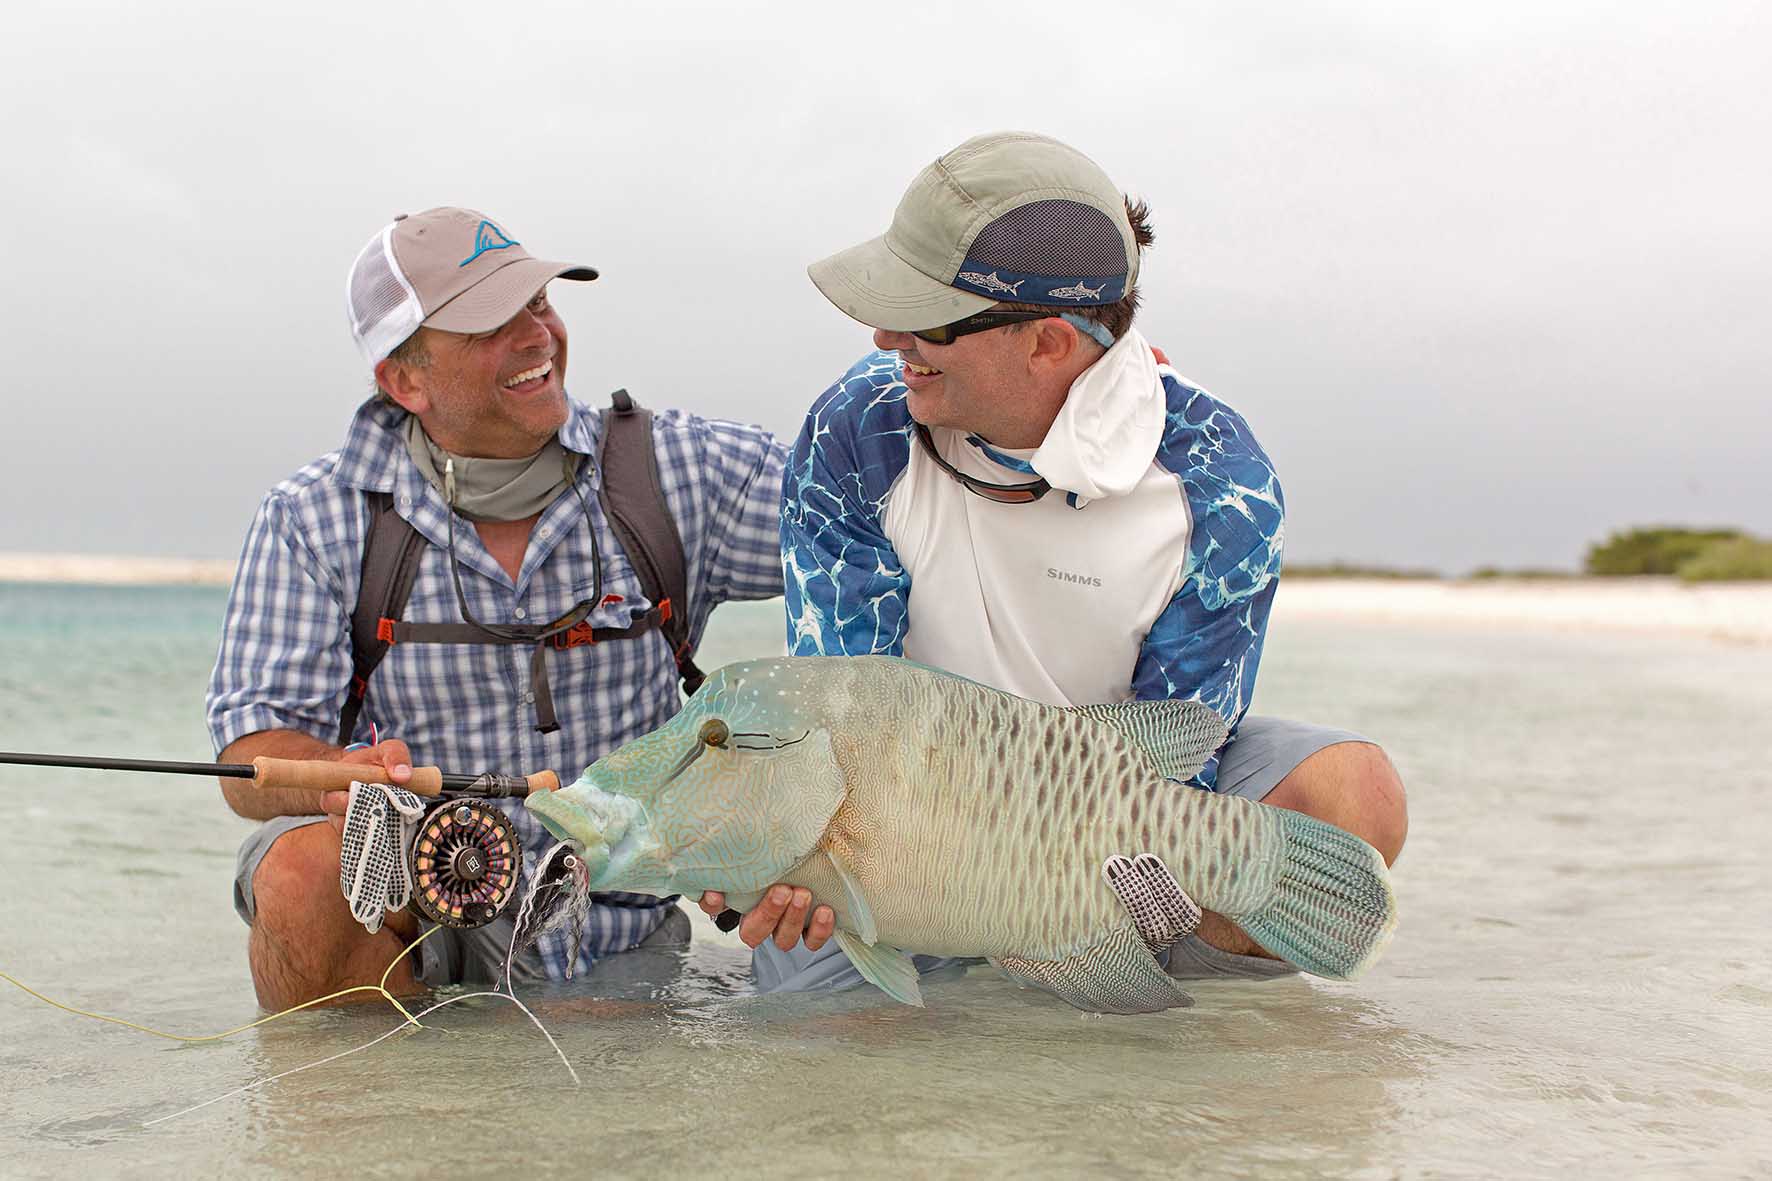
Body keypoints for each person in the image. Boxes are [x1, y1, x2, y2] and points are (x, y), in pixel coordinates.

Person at [701, 131, 1408, 993]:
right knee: (834, 1080)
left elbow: (1175, 756)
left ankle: (1146, 1017)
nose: (887, 336)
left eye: (926, 318)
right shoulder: (857, 428)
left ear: (1049, 344)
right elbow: (842, 722)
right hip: (900, 824)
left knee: (1352, 796)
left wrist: (1093, 926)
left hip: (1108, 815)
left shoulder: (1222, 485)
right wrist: (781, 861)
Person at [207, 207, 786, 1009]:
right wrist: (341, 773)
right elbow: (249, 761)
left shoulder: (680, 472)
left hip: (620, 932)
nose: (536, 337)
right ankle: (354, 1119)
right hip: (422, 911)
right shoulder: (312, 518)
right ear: (403, 380)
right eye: (489, 324)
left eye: (539, 303)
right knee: (304, 872)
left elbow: (874, 519)